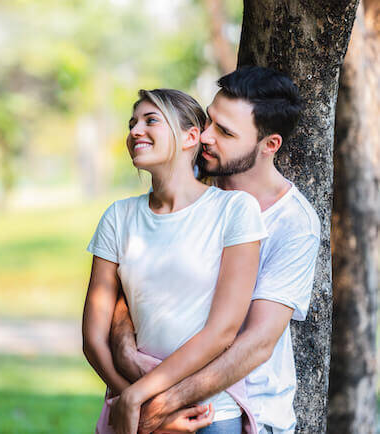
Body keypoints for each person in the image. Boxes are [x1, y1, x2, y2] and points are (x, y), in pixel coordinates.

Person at [109, 66, 321, 433]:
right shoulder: (186, 191)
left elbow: (255, 343)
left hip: (246, 413)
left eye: (224, 132)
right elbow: (132, 284)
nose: (205, 136)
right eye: (209, 121)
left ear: (268, 145)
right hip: (154, 392)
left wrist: (162, 405)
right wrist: (125, 350)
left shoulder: (294, 223)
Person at [82, 87, 268, 434]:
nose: (135, 131)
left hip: (209, 414)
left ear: (190, 137)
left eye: (151, 120)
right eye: (132, 123)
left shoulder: (234, 210)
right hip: (134, 413)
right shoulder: (118, 218)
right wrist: (136, 404)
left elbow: (222, 331)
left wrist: (147, 399)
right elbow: (94, 337)